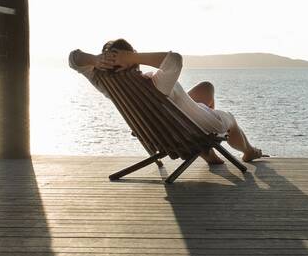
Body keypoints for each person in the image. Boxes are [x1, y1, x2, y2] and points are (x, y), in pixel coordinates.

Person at [69, 39, 265, 164]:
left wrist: (95, 59)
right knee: (229, 119)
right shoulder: (155, 82)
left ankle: (208, 152)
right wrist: (132, 57)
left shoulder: (105, 83)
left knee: (206, 87)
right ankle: (248, 151)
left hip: (169, 126)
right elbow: (175, 60)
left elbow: (73, 58)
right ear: (130, 60)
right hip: (192, 130)